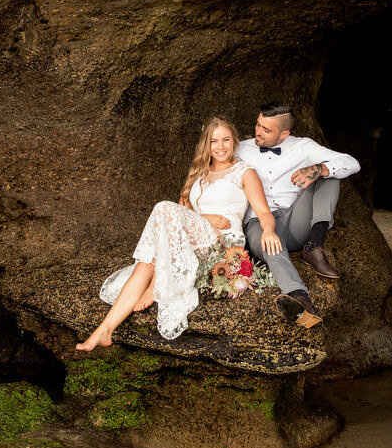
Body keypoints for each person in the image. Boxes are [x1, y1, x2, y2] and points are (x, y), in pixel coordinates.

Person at [76, 117, 282, 352]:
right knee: (146, 263)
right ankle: (105, 330)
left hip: (221, 241)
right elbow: (180, 216)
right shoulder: (199, 173)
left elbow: (264, 211)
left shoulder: (244, 173)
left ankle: (156, 285)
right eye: (214, 141)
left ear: (234, 141)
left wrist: (269, 230)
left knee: (162, 208)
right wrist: (205, 218)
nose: (221, 146)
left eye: (226, 140)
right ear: (206, 144)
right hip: (193, 237)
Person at [238, 102, 360, 323]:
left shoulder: (303, 147)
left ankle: (314, 244)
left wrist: (319, 169)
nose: (258, 132)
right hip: (258, 223)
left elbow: (351, 163)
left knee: (330, 174)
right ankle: (299, 297)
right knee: (270, 242)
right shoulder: (240, 148)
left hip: (295, 221)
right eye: (258, 125)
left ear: (285, 134)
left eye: (266, 129)